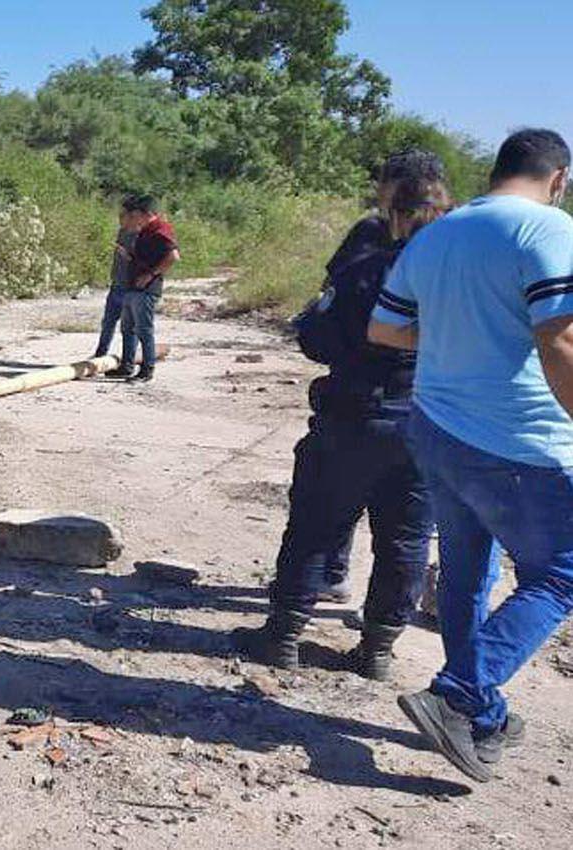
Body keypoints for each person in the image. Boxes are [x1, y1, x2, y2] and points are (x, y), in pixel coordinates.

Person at [368, 128, 573, 783]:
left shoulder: (436, 235)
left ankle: (479, 713)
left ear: (495, 170)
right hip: (518, 444)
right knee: (563, 573)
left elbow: (384, 327)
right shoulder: (547, 230)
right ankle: (458, 694)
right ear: (559, 179)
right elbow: (559, 342)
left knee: (466, 576)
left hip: (437, 432)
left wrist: (459, 334)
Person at [237, 174, 451, 681]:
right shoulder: (462, 282)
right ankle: (377, 650)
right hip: (428, 424)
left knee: (318, 524)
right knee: (405, 540)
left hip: (356, 415)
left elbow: (314, 337)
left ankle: (284, 636)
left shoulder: (369, 269)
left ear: (394, 215)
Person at [316, 150, 450, 606]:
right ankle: (381, 636)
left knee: (332, 499)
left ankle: (319, 592)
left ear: (393, 188)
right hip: (427, 403)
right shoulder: (456, 240)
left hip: (364, 390)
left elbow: (331, 305)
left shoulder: (373, 235)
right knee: (407, 526)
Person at [110, 193, 178, 382]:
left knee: (143, 330)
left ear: (144, 213)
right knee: (128, 329)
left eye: (134, 215)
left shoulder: (161, 230)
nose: (132, 219)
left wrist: (150, 275)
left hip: (146, 289)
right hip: (133, 286)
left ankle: (147, 369)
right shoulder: (145, 230)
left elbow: (173, 256)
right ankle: (127, 366)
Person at [93, 209, 140, 360]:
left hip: (130, 287)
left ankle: (128, 360)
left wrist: (127, 256)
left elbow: (143, 261)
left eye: (123, 217)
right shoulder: (122, 232)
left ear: (133, 218)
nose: (120, 219)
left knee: (129, 327)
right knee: (108, 322)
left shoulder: (140, 236)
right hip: (116, 285)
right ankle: (100, 353)